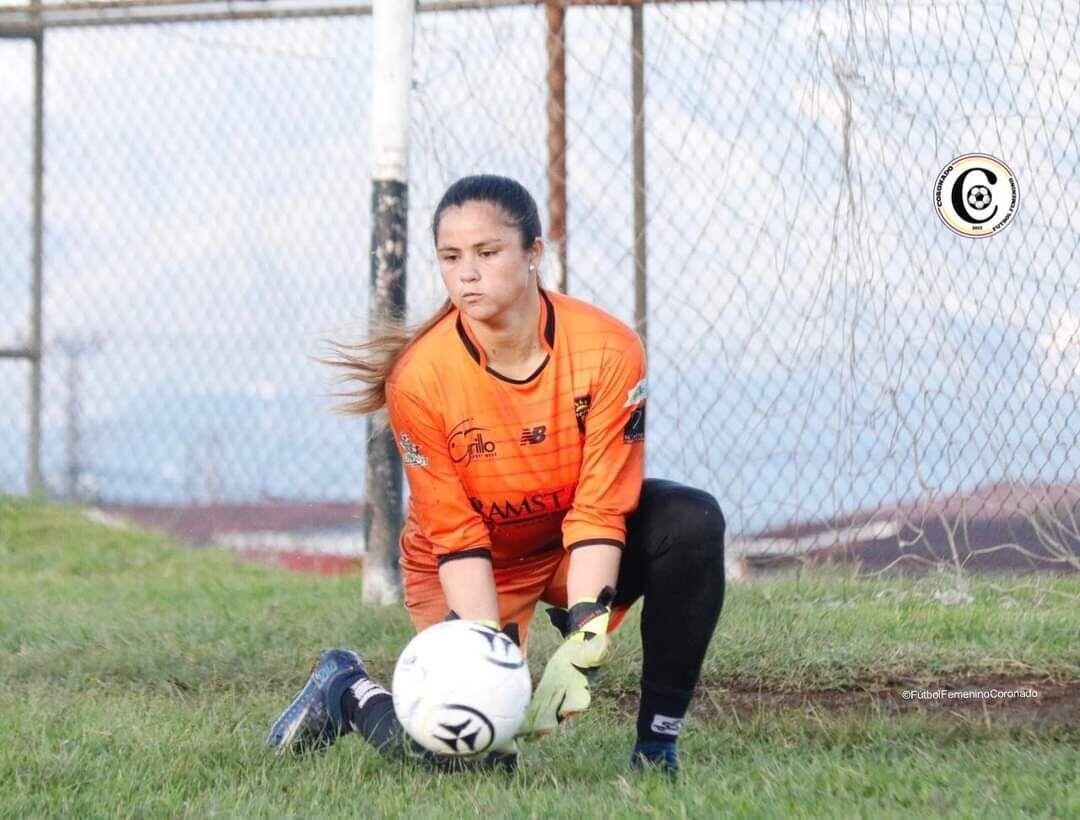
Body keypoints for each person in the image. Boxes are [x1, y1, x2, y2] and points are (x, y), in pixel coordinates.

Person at [267, 174, 726, 775]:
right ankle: (348, 691)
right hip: (470, 565)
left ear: (535, 253)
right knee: (473, 757)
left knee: (691, 521)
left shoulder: (609, 348)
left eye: (487, 253)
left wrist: (586, 637)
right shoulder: (419, 377)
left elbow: (599, 508)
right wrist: (489, 668)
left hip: (566, 546)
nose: (467, 274)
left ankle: (657, 747)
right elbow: (456, 537)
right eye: (451, 258)